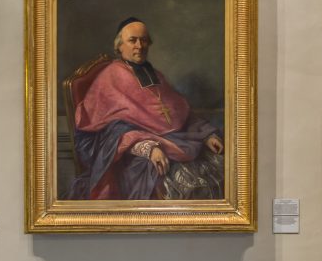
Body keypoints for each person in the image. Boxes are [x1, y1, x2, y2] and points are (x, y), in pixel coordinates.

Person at [69, 17, 223, 199]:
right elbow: (109, 132)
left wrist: (206, 134)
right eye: (132, 40)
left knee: (218, 167)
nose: (139, 46)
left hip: (177, 142)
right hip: (129, 156)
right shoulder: (110, 77)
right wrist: (148, 148)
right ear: (119, 46)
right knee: (174, 183)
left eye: (143, 40)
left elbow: (180, 112)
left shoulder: (154, 75)